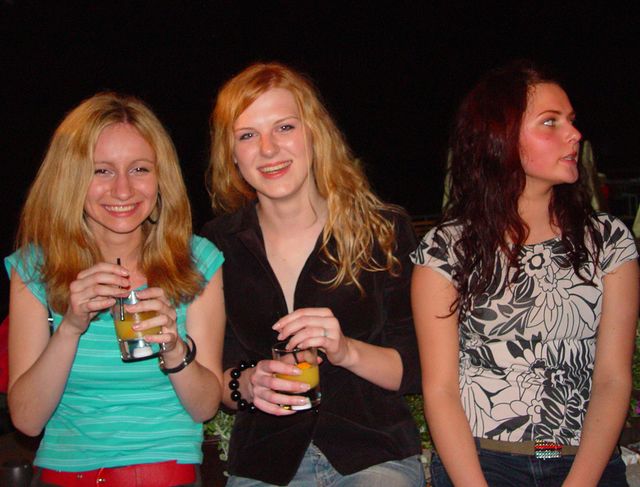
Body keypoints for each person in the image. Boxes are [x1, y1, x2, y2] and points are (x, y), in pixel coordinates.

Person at [411, 60, 639, 486]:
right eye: (550, 122)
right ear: (500, 138)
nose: (574, 134)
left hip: (583, 460)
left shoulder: (608, 240)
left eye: (571, 120)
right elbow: (440, 391)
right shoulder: (447, 250)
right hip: (482, 462)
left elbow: (612, 379)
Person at [200, 62, 424, 486]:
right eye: (247, 135)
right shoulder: (217, 244)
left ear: (314, 133)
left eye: (284, 127)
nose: (268, 149)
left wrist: (346, 351)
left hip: (373, 455)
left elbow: (414, 367)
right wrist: (248, 383)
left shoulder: (383, 230)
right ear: (231, 154)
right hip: (265, 462)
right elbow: (217, 377)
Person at [5, 92, 225, 486]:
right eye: (102, 171)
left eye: (139, 169)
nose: (123, 190)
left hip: (161, 474)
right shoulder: (34, 268)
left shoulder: (197, 261)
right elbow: (27, 419)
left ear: (161, 178)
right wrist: (71, 327)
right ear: (71, 178)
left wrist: (173, 346)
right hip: (62, 475)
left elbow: (205, 407)